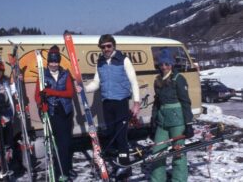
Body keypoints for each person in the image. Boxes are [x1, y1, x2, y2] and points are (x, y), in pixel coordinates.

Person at [81, 34, 140, 180]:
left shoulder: (124, 60)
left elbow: (134, 82)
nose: (106, 49)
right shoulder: (100, 62)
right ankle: (118, 163)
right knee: (111, 134)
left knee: (121, 137)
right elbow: (96, 82)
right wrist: (84, 88)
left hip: (121, 102)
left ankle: (125, 168)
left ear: (114, 45)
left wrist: (136, 103)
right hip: (107, 103)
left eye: (109, 46)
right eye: (103, 47)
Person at [150, 48, 194, 182]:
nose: (164, 67)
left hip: (177, 120)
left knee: (178, 152)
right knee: (157, 152)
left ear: (171, 64)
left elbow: (186, 102)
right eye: (161, 64)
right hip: (162, 121)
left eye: (167, 64)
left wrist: (189, 124)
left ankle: (179, 179)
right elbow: (157, 102)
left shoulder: (178, 79)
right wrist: (153, 120)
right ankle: (157, 179)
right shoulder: (157, 80)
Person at [35, 45, 75, 181]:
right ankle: (61, 173)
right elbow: (37, 95)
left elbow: (70, 93)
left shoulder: (65, 74)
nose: (54, 64)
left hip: (65, 113)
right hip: (52, 113)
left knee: (66, 143)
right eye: (51, 62)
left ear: (59, 61)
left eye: (56, 61)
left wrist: (52, 92)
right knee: (57, 144)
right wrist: (41, 104)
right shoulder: (42, 76)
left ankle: (66, 170)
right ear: (48, 62)